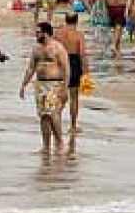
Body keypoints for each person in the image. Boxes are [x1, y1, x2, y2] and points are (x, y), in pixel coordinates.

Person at [18, 22, 70, 154]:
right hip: (40, 84)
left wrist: (65, 87)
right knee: (43, 116)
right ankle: (46, 146)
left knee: (53, 114)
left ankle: (59, 143)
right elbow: (31, 68)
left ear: (46, 33)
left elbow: (66, 68)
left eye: (38, 32)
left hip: (54, 84)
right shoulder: (36, 49)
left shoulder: (58, 48)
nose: (36, 35)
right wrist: (24, 84)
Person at [54, 11, 89, 133]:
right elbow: (82, 53)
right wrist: (86, 71)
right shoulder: (79, 35)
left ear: (65, 20)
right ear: (77, 21)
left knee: (58, 95)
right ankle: (73, 126)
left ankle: (55, 119)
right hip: (74, 62)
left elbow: (53, 49)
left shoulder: (57, 34)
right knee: (74, 97)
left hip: (60, 63)